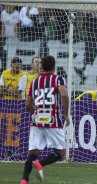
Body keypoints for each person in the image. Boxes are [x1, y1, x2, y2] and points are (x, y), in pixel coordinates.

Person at [20, 55, 70, 184]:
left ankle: (24, 179)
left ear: (42, 66)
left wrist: (34, 113)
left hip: (37, 120)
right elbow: (64, 95)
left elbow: (27, 103)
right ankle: (40, 164)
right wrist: (65, 114)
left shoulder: (35, 81)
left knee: (33, 151)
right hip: (52, 120)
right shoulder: (58, 79)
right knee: (60, 152)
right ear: (54, 67)